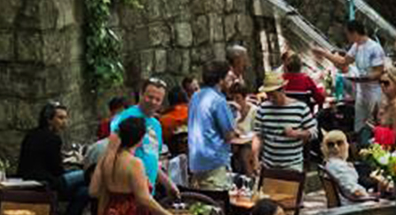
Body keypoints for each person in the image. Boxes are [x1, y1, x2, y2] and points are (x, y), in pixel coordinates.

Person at [91, 115, 188, 215]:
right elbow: (144, 199)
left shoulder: (107, 160)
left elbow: (101, 193)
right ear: (141, 138)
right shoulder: (134, 163)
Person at [16, 100, 91, 215]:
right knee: (88, 174)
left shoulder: (31, 134)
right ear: (49, 120)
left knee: (83, 192)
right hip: (48, 182)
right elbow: (57, 170)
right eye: (60, 118)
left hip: (30, 178)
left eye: (65, 118)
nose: (64, 122)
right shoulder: (53, 138)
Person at [108, 78, 180, 199]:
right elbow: (111, 154)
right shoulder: (126, 117)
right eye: (150, 97)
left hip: (148, 192)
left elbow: (152, 158)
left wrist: (168, 184)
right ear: (141, 94)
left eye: (158, 99)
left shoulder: (156, 125)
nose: (153, 102)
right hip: (127, 192)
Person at [187, 60, 247, 189]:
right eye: (227, 77)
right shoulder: (218, 100)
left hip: (196, 161)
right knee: (216, 203)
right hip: (214, 161)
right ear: (220, 80)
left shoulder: (196, 96)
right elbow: (229, 135)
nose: (230, 81)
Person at [322, 21, 388, 133]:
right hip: (361, 92)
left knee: (374, 125)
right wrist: (325, 54)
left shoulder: (374, 48)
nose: (346, 37)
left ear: (354, 33)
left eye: (347, 34)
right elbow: (343, 62)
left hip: (374, 93)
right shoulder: (356, 46)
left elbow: (379, 72)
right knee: (359, 127)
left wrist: (364, 77)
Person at [250, 74, 317, 174]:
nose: (271, 98)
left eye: (273, 94)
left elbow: (314, 133)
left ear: (283, 90)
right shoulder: (263, 109)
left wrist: (296, 134)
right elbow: (258, 135)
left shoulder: (300, 108)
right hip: (268, 165)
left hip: (292, 165)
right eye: (268, 95)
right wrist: (255, 158)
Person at [319, 130, 373, 201]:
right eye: (331, 144)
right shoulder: (338, 166)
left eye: (339, 143)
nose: (336, 147)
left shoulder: (329, 163)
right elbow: (354, 191)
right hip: (351, 205)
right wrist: (370, 195)